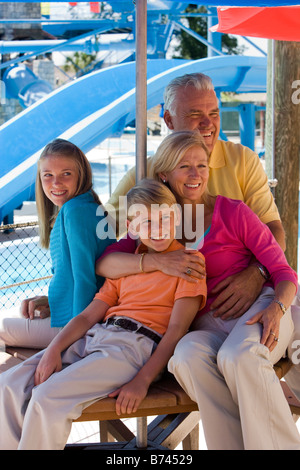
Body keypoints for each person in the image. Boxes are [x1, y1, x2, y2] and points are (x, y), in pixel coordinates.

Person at [97, 131, 300, 450]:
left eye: (202, 165)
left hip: (259, 311)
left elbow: (284, 270)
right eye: (185, 166)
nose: (196, 174)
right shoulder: (154, 223)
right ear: (164, 174)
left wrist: (278, 307)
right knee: (186, 357)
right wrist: (157, 262)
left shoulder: (233, 212)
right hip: (207, 327)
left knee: (241, 357)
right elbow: (106, 262)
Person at [0, 179, 206, 450]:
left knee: (47, 398)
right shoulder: (129, 265)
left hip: (135, 347)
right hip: (96, 335)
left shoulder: (189, 264)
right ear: (132, 226)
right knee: (9, 385)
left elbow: (176, 330)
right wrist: (53, 349)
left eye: (164, 219)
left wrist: (143, 381)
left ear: (177, 218)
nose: (157, 229)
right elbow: (87, 317)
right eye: (146, 222)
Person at [107, 72, 285, 321]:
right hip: (169, 319)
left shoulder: (243, 161)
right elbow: (100, 235)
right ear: (169, 119)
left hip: (242, 307)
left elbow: (274, 231)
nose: (208, 124)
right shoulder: (143, 173)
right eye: (194, 115)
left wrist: (257, 273)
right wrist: (65, 294)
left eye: (214, 113)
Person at [0, 139, 115, 349]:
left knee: (1, 330)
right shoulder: (85, 206)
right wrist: (50, 302)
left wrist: (77, 339)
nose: (56, 183)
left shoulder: (74, 211)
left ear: (82, 174)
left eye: (66, 174)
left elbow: (85, 279)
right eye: (48, 175)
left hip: (76, 326)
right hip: (76, 317)